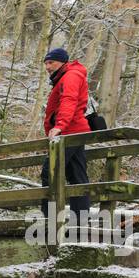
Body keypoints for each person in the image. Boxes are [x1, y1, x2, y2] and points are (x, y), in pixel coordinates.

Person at [39, 47, 91, 236]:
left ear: (62, 62)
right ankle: (80, 223)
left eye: (51, 62)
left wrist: (59, 126)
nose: (47, 67)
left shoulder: (70, 76)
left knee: (49, 173)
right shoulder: (64, 77)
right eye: (45, 63)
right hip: (74, 131)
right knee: (77, 176)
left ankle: (49, 221)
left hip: (70, 132)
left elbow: (69, 100)